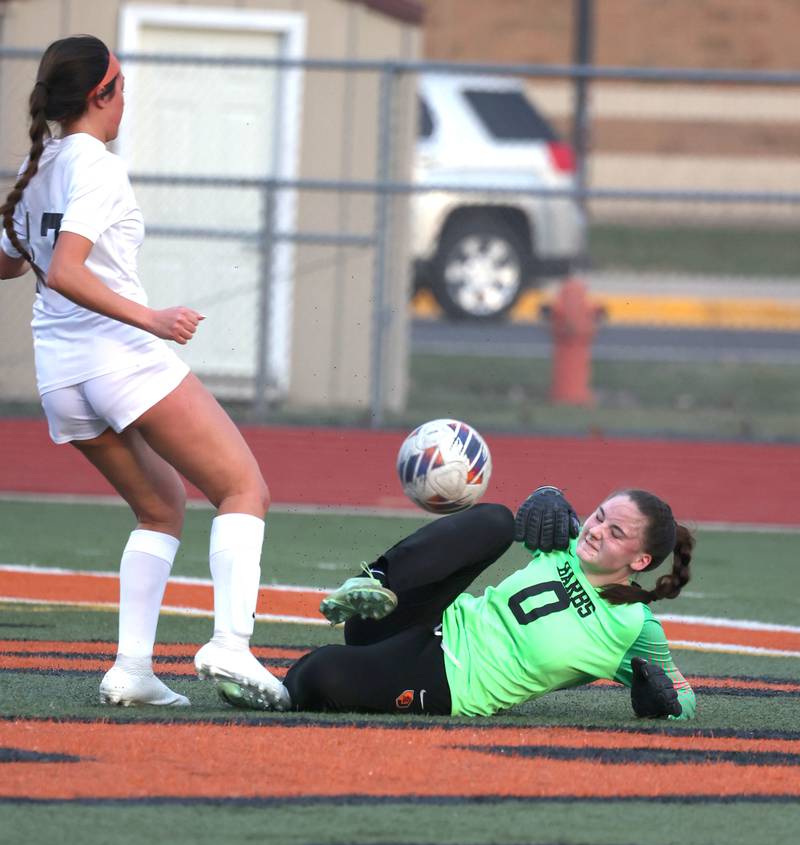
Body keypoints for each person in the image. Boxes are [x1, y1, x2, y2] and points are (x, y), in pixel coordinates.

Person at [0, 35, 288, 710]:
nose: (125, 96)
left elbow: (11, 264)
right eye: (120, 83)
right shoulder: (96, 167)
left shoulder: (36, 165)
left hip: (60, 371)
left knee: (161, 507)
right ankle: (231, 642)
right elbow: (67, 270)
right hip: (115, 356)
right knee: (244, 488)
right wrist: (151, 319)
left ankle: (131, 669)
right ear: (100, 95)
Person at [218, 487, 696, 720]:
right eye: (599, 516)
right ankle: (374, 581)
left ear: (641, 560)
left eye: (616, 533)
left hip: (453, 683)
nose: (595, 531)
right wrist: (545, 496)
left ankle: (285, 693)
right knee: (496, 521)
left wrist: (662, 702)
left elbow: (684, 697)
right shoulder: (564, 540)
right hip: (425, 620)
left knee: (321, 671)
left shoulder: (633, 625)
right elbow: (535, 513)